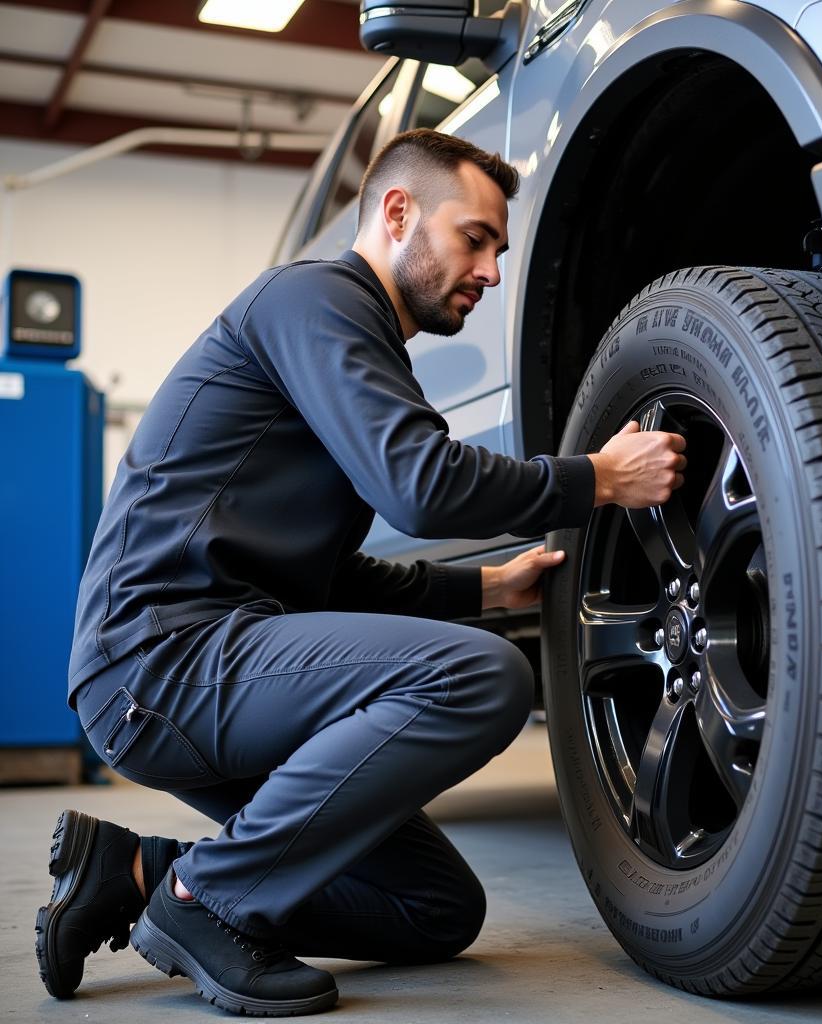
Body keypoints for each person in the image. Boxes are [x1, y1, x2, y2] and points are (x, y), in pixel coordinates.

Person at [35, 129, 687, 1016]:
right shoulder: (316, 299)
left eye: (499, 249)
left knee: (432, 911)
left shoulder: (356, 342)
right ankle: (205, 904)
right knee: (481, 676)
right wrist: (596, 480)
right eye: (476, 238)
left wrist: (486, 589)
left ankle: (138, 872)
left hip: (210, 664)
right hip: (160, 660)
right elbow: (417, 487)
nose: (492, 271)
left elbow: (331, 581)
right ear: (396, 212)